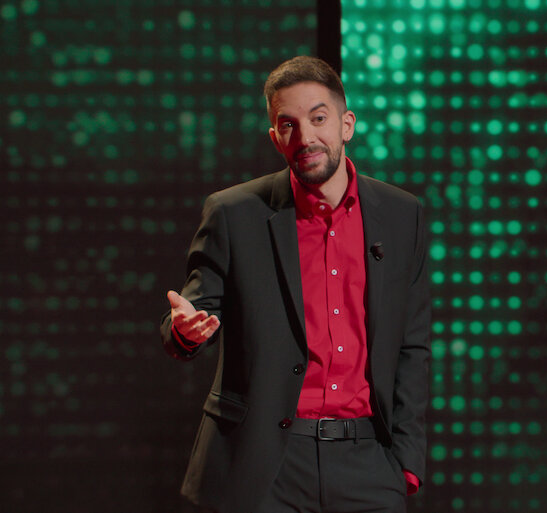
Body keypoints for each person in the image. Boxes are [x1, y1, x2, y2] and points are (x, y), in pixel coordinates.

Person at [160, 56, 430, 513]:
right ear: (275, 138)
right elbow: (191, 316)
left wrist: (406, 461)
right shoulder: (234, 213)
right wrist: (185, 332)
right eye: (288, 125)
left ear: (346, 124)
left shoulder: (403, 215)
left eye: (318, 119)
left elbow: (412, 345)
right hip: (266, 465)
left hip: (369, 459)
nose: (305, 138)